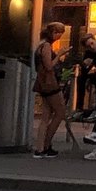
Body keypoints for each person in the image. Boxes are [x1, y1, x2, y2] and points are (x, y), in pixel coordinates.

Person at [33, 22, 71, 159]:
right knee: (60, 112)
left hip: (42, 83)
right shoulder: (47, 46)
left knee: (45, 115)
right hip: (50, 83)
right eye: (58, 34)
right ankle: (46, 144)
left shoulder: (40, 44)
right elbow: (49, 66)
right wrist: (60, 54)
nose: (59, 37)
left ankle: (40, 148)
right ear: (53, 32)